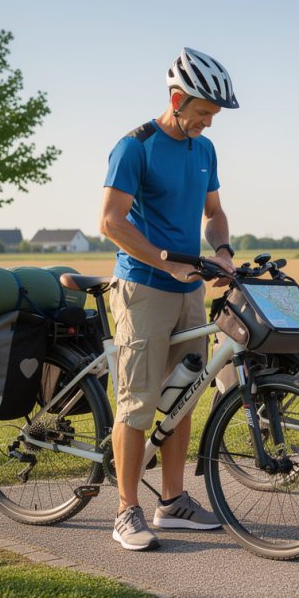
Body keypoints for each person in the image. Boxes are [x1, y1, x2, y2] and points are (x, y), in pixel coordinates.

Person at [100, 47, 238, 550]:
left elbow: (214, 213)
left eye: (212, 116)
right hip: (143, 286)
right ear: (177, 99)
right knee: (137, 403)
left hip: (190, 289)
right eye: (203, 113)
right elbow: (111, 222)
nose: (208, 123)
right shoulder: (134, 147)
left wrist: (220, 251)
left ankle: (174, 501)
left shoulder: (204, 151)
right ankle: (125, 510)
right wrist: (165, 260)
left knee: (183, 400)